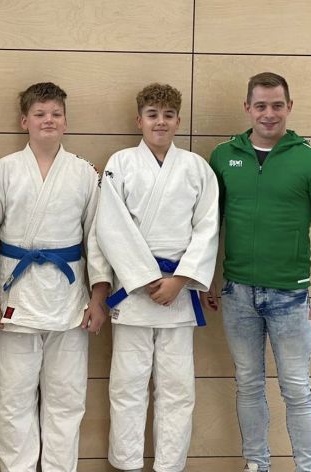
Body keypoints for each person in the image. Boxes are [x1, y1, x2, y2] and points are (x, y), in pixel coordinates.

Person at [204, 72, 311, 472]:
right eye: (261, 106)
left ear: (289, 107)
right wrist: (205, 277)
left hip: (290, 296)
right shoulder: (223, 157)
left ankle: (307, 468)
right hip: (237, 295)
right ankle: (257, 466)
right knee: (248, 385)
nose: (269, 114)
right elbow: (208, 224)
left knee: (297, 389)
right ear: (247, 108)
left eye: (277, 105)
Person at [0, 82, 112, 472]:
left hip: (69, 299)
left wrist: (98, 297)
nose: (48, 120)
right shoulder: (4, 171)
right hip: (15, 296)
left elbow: (97, 238)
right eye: (39, 114)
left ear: (66, 121)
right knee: (14, 399)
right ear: (24, 121)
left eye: (55, 114)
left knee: (67, 400)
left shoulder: (84, 173)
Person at [96, 83, 219, 472]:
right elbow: (110, 226)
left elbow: (208, 228)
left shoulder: (197, 168)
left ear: (178, 121)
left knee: (177, 390)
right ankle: (128, 465)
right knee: (127, 387)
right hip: (135, 292)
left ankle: (169, 466)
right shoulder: (120, 163)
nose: (160, 122)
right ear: (139, 120)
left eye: (168, 115)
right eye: (152, 115)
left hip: (178, 293)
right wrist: (146, 277)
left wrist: (180, 280)